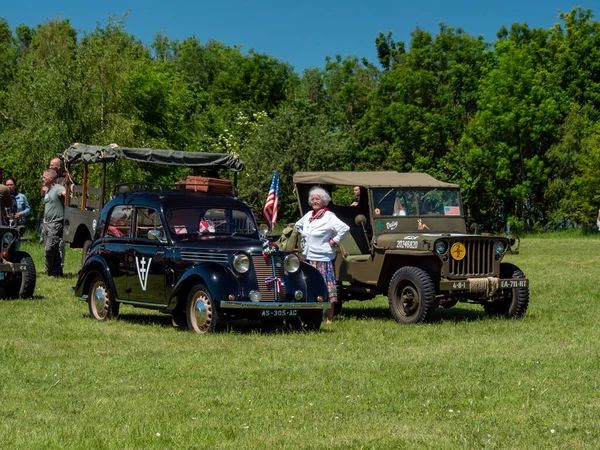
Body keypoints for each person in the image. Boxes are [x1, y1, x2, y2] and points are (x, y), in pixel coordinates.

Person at [296, 187, 349, 324]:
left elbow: (345, 228)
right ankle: (310, 314)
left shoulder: (329, 216)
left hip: (323, 258)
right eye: (312, 199)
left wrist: (334, 241)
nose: (314, 201)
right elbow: (297, 225)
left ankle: (329, 318)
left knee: (328, 288)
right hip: (308, 257)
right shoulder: (308, 216)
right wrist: (304, 235)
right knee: (309, 286)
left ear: (324, 201)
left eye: (317, 199)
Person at [42, 169, 66, 277]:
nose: (42, 179)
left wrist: (68, 194)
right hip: (47, 223)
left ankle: (49, 271)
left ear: (50, 178)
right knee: (54, 249)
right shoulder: (48, 190)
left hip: (56, 223)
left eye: (44, 177)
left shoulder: (58, 188)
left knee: (49, 248)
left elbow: (65, 194)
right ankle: (56, 272)